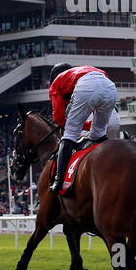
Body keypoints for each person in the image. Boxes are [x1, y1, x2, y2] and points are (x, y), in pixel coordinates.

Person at [46, 63, 117, 195]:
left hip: (87, 88)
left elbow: (59, 119)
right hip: (110, 86)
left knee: (70, 134)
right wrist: (87, 125)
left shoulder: (56, 83)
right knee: (98, 134)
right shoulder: (83, 70)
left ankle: (59, 181)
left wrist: (78, 126)